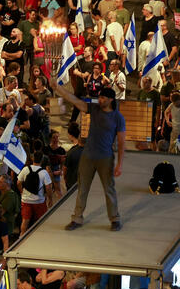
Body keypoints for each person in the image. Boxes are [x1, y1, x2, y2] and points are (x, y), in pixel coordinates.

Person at [49, 80, 125, 232]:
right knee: (82, 188)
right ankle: (77, 218)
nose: (100, 100)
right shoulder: (94, 109)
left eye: (103, 98)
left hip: (105, 157)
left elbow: (122, 142)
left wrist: (119, 164)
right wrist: (58, 88)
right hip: (88, 156)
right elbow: (75, 100)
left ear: (111, 100)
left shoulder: (118, 117)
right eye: (100, 97)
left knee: (109, 189)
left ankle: (115, 218)